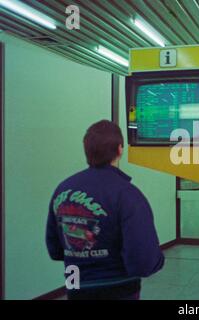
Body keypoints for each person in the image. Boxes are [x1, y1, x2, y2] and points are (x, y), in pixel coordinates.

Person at [46, 120, 164, 299]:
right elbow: (144, 262)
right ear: (119, 149)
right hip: (119, 292)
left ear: (87, 151)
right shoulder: (128, 195)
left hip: (76, 288)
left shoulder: (63, 190)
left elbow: (55, 249)